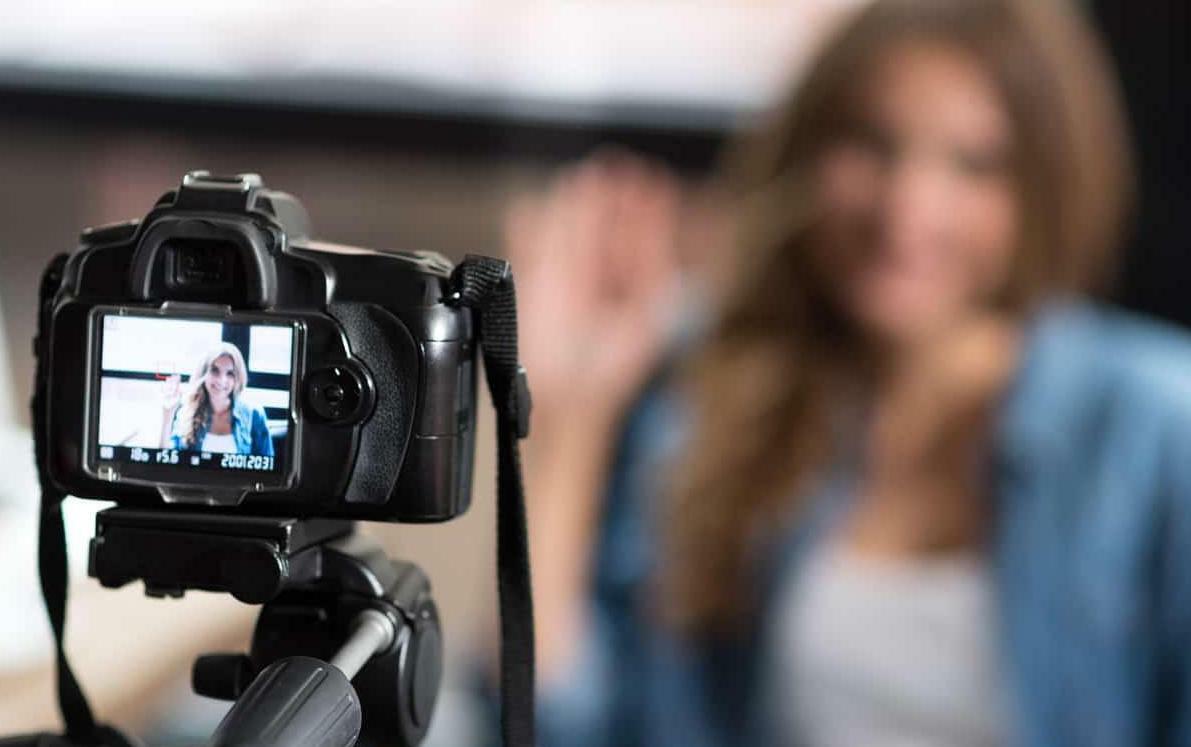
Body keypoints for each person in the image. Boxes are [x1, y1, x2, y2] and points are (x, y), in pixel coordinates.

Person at [507, 0, 1191, 745]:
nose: (908, 209)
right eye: (872, 144)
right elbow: (560, 726)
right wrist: (567, 423)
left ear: (1042, 186)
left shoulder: (1156, 427)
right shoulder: (711, 409)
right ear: (806, 155)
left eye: (974, 164)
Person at [160, 342, 272, 456]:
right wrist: (167, 415)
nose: (221, 380)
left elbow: (268, 463)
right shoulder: (187, 413)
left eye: (230, 373)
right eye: (215, 370)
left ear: (238, 378)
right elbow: (165, 460)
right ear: (203, 374)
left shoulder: (254, 415)